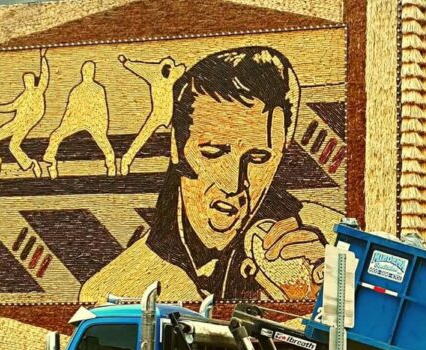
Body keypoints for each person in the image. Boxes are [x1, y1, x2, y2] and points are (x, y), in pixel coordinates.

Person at [79, 46, 340, 303]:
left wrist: (325, 299)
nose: (233, 184)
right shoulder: (112, 291)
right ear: (176, 148)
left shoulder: (333, 240)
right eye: (213, 152)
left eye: (259, 158)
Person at [42, 61, 117, 178]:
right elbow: (69, 110)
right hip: (77, 120)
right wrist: (63, 126)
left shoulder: (98, 89)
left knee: (105, 145)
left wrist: (102, 128)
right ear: (82, 72)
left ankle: (111, 166)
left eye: (90, 70)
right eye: (86, 70)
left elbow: (102, 110)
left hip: (93, 121)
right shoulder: (76, 90)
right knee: (55, 136)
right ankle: (51, 162)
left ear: (93, 72)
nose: (88, 72)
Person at [118, 55, 187, 175]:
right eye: (166, 70)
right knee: (143, 135)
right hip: (158, 113)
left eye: (170, 70)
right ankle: (126, 159)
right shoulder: (153, 73)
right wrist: (126, 62)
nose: (168, 73)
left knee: (176, 136)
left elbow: (183, 68)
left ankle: (175, 160)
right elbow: (139, 68)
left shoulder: (176, 73)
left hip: (173, 113)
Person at [0, 48, 49, 178]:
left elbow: (45, 76)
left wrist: (43, 59)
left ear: (33, 81)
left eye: (29, 80)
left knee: (13, 146)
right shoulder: (22, 96)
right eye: (25, 81)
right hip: (15, 122)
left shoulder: (38, 91)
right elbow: (11, 106)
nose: (27, 83)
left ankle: (31, 164)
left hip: (25, 125)